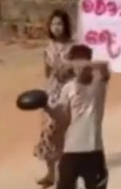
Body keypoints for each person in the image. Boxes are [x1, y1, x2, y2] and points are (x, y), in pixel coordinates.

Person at [45, 45, 110, 189]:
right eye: (75, 65)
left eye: (82, 64)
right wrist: (48, 108)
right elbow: (62, 118)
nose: (79, 68)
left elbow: (104, 66)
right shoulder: (68, 88)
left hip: (93, 151)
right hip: (70, 152)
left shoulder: (98, 83)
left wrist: (78, 63)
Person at [35, 10, 75, 187]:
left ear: (66, 26)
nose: (56, 28)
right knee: (48, 133)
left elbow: (80, 71)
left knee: (62, 134)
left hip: (68, 93)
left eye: (59, 24)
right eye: (53, 24)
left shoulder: (74, 47)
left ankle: (62, 176)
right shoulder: (47, 48)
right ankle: (50, 173)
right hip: (51, 94)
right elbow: (47, 72)